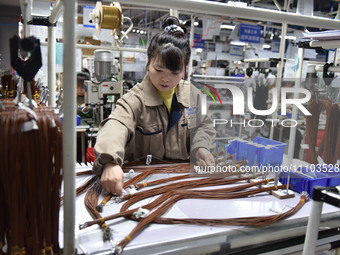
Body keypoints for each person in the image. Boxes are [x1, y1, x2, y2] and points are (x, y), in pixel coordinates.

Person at [92, 16, 216, 195]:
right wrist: (110, 161)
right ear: (148, 63)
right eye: (159, 70)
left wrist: (201, 147)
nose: (166, 79)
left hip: (181, 184)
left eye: (175, 72)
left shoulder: (193, 95)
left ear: (184, 71)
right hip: (142, 185)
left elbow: (203, 125)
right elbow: (116, 125)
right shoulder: (135, 99)